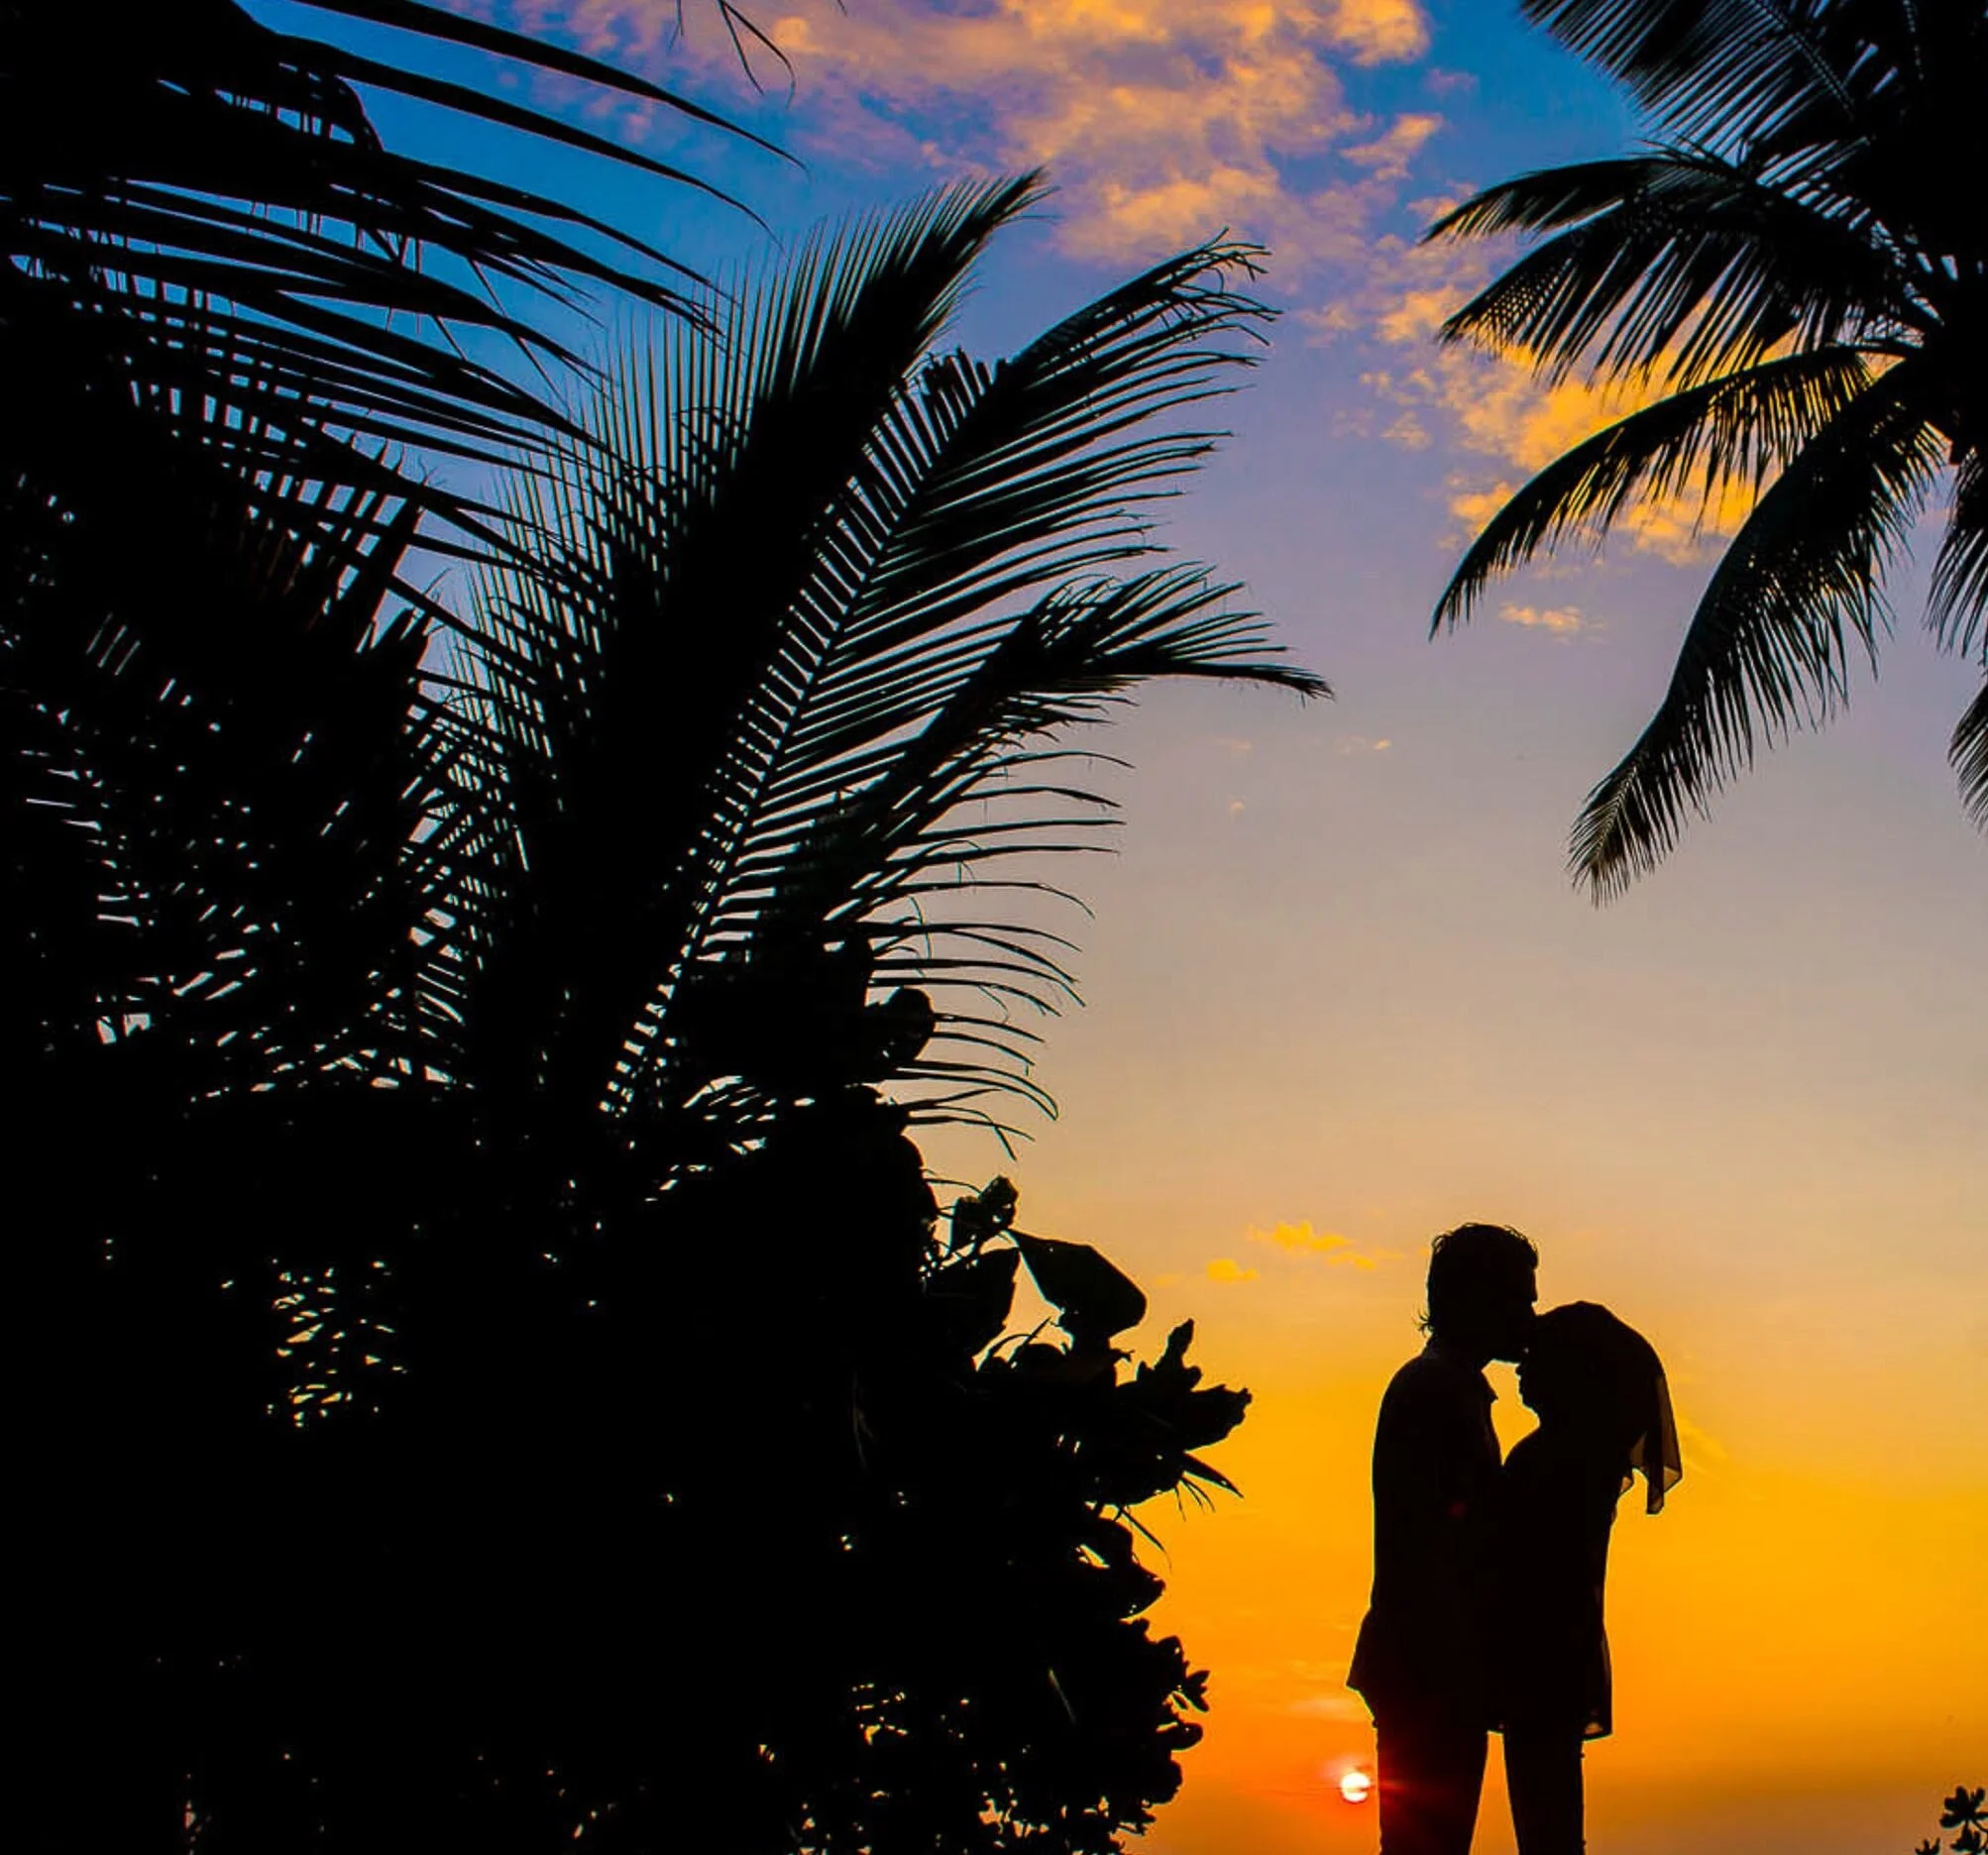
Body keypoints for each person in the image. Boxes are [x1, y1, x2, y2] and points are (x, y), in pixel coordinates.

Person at [1349, 1223, 1540, 1855]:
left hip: (1435, 1663)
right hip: (1428, 1663)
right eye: (1519, 1300)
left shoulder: (1450, 1388)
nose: (1529, 1319)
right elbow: (1427, 1542)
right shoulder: (1433, 1390)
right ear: (1477, 1300)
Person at [1496, 1302, 1682, 1855]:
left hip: (1538, 1659)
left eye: (1537, 1357)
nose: (1521, 1366)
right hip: (1558, 1657)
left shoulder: (1553, 1460)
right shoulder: (1587, 1459)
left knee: (1544, 1820)